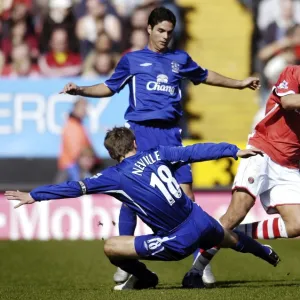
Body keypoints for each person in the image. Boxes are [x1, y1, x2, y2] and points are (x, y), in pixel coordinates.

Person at [60, 6, 261, 285]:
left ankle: (199, 265)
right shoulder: (132, 60)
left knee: (188, 198)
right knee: (131, 198)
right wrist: (80, 89)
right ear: (149, 29)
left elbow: (204, 75)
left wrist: (239, 84)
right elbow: (109, 86)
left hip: (170, 136)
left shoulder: (179, 59)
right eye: (161, 31)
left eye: (169, 31)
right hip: (141, 134)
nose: (166, 36)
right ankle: (128, 265)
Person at [5, 127, 280, 290]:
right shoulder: (157, 153)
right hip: (200, 218)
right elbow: (194, 151)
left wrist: (35, 195)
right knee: (226, 236)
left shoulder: (113, 176)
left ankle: (145, 278)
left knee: (111, 246)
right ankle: (264, 252)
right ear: (135, 143)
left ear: (112, 155)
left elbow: (75, 188)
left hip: (177, 241)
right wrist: (232, 150)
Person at [185, 64, 300, 287]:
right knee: (235, 213)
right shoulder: (293, 72)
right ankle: (195, 271)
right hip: (262, 151)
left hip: (288, 165)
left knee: (296, 225)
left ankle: (229, 234)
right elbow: (288, 102)